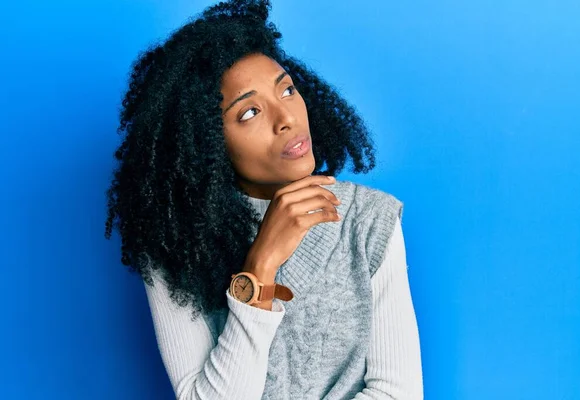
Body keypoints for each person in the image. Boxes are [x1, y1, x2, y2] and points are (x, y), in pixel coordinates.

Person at [104, 0, 423, 398]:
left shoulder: (370, 220)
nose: (286, 117)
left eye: (286, 89)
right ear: (206, 144)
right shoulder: (172, 242)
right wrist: (261, 264)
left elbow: (398, 393)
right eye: (250, 112)